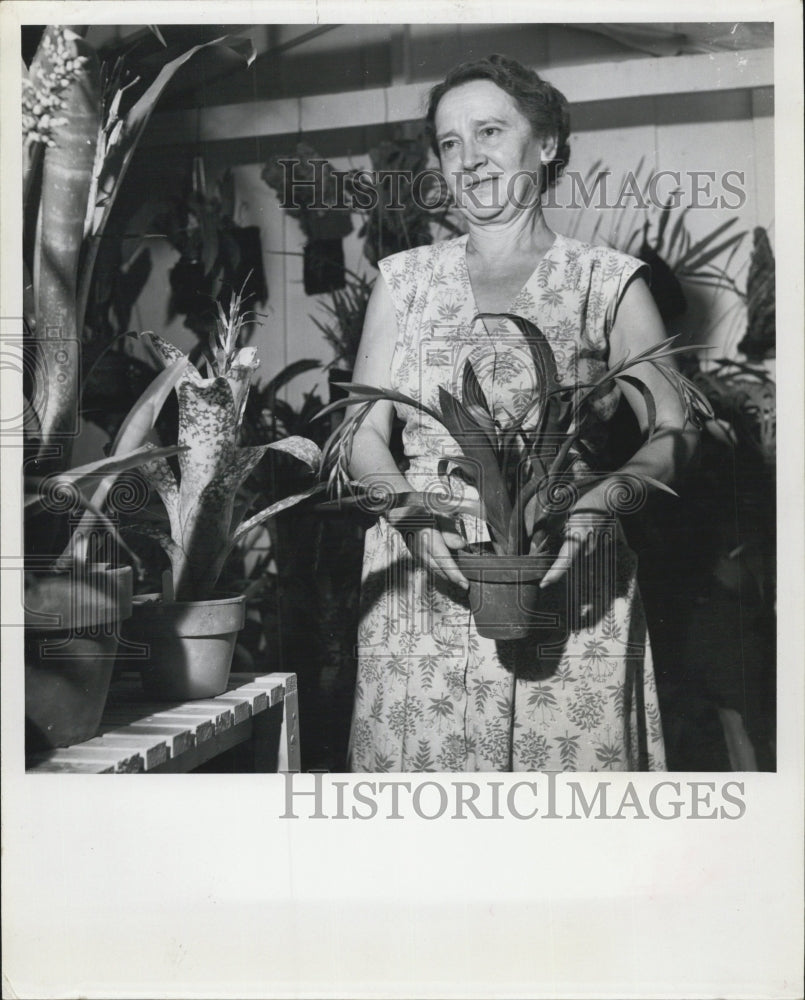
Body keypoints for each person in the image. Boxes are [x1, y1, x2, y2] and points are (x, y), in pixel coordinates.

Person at [344, 54, 698, 772]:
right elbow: (359, 436)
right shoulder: (403, 280)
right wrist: (405, 511)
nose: (468, 159)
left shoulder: (605, 278)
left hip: (567, 564)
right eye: (449, 143)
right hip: (422, 566)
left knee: (567, 806)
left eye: (488, 132)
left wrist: (607, 501)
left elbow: (676, 428)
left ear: (546, 144)